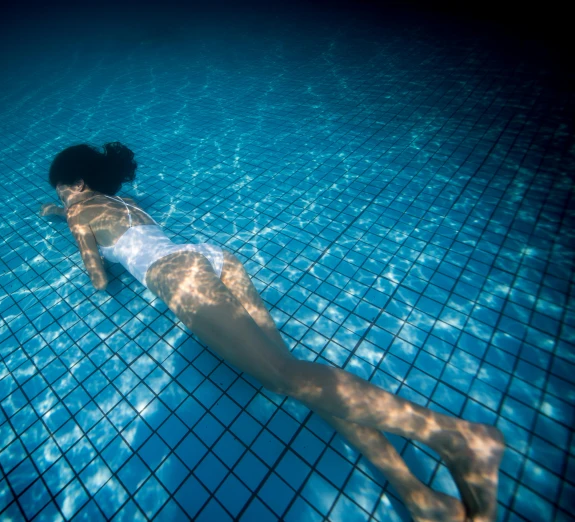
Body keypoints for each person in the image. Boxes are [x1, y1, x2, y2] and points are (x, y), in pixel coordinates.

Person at [40, 142, 505, 522]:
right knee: (299, 378)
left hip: (177, 274)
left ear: (76, 184)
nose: (64, 201)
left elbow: (98, 280)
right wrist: (58, 211)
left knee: (284, 377)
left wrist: (75, 229)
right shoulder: (122, 201)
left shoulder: (81, 212)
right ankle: (416, 494)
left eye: (62, 191)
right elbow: (98, 215)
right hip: (212, 256)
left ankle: (457, 437)